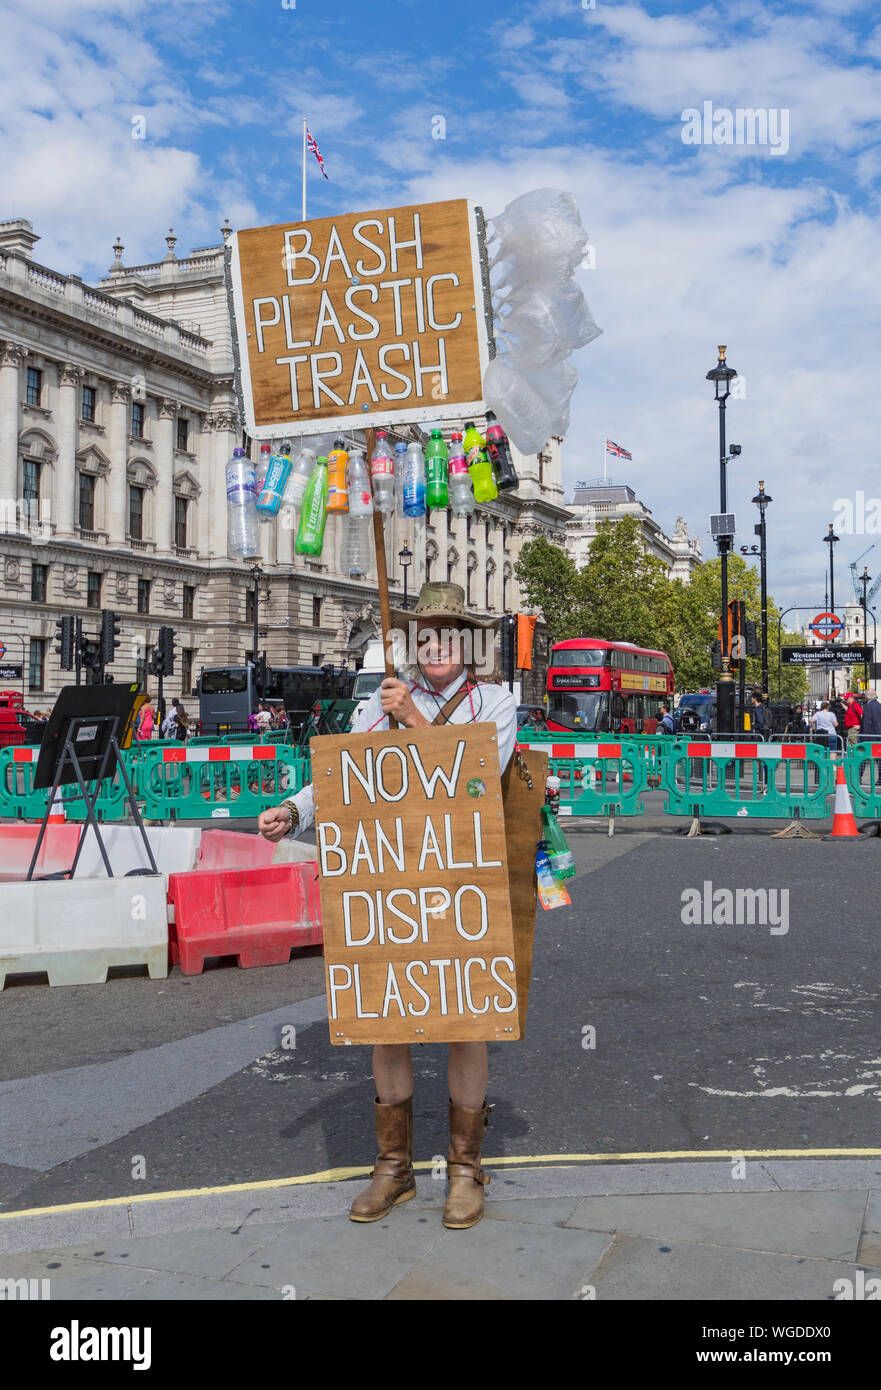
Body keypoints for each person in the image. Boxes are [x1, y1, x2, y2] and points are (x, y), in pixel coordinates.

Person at [257, 582, 517, 1231]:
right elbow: (345, 775)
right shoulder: (380, 701)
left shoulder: (496, 700)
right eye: (424, 633)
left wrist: (415, 722)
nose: (436, 644)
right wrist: (295, 811)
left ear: (467, 641)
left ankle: (463, 1170)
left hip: (461, 875)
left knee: (464, 1020)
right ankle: (393, 1168)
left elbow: (477, 776)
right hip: (389, 875)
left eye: (448, 632)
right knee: (386, 1015)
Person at [859, 689, 881, 786]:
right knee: (879, 761)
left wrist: (862, 737)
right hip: (878, 737)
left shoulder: (867, 707)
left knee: (862, 759)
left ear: (867, 697)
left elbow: (866, 723)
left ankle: (858, 778)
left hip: (869, 738)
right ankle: (880, 780)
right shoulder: (879, 706)